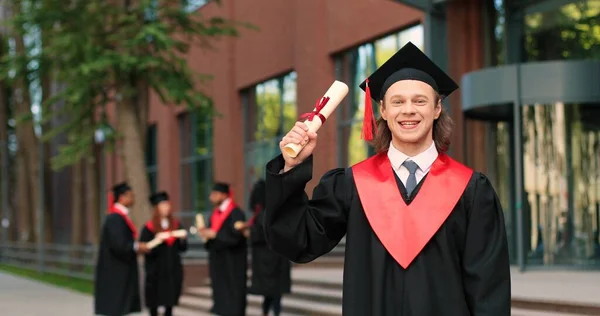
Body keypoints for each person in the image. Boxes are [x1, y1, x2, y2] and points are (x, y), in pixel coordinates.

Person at [263, 42, 511, 315]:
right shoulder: (351, 185)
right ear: (382, 110)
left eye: (420, 101)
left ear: (437, 108)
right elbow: (297, 240)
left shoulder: (471, 191)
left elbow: (488, 288)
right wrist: (291, 169)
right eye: (398, 101)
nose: (408, 110)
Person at [94, 182, 149, 316]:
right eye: (131, 196)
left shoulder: (119, 217)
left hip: (120, 269)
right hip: (116, 271)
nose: (133, 199)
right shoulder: (115, 218)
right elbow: (119, 244)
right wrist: (137, 246)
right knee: (117, 308)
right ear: (122, 197)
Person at [198, 182, 248, 316]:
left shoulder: (236, 213)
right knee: (220, 292)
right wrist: (206, 235)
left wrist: (215, 234)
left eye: (214, 194)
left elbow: (236, 237)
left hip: (233, 261)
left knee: (233, 294)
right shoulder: (214, 214)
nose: (211, 198)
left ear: (224, 195)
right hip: (218, 260)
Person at [245, 179, 291, 316]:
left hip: (270, 259)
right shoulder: (276, 210)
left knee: (272, 292)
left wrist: (249, 233)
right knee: (272, 293)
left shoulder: (264, 213)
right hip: (276, 257)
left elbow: (262, 234)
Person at [139, 191, 188, 316]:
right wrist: (157, 240)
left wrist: (182, 239)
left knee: (170, 300)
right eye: (162, 205)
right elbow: (145, 248)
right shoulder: (148, 227)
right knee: (154, 299)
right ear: (156, 208)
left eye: (167, 205)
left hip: (172, 268)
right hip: (156, 269)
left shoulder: (176, 225)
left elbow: (183, 249)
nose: (166, 208)